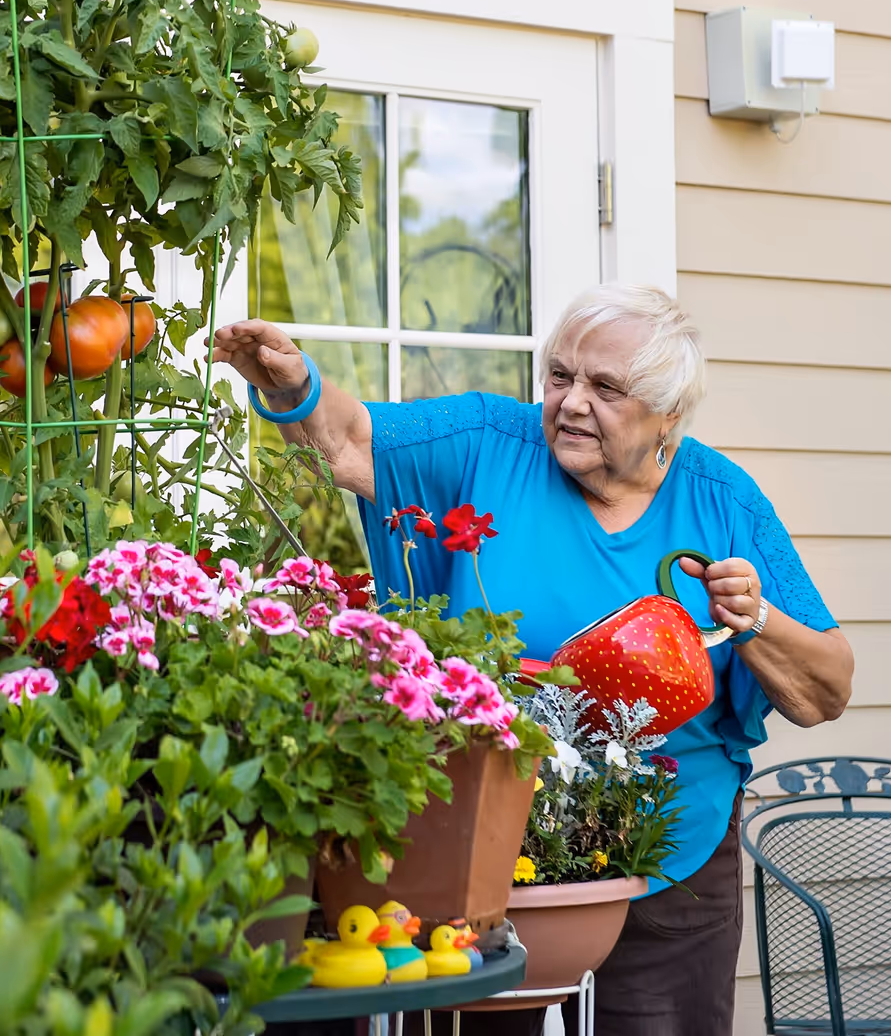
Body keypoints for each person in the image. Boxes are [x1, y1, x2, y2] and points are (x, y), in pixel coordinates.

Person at [213, 283, 854, 1036]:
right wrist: (297, 385)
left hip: (668, 839)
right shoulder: (490, 441)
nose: (572, 402)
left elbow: (825, 689)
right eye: (560, 376)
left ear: (667, 416)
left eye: (605, 387)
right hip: (487, 834)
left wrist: (756, 619)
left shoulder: (723, 502)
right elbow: (350, 439)